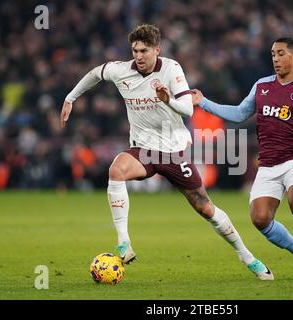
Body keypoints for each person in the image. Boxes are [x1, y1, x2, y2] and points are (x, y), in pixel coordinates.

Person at [60, 24, 273, 280]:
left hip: (173, 152)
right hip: (143, 149)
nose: (138, 56)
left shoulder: (171, 69)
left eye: (144, 50)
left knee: (205, 208)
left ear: (157, 50)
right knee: (116, 170)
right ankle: (124, 242)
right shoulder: (121, 70)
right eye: (135, 50)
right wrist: (71, 97)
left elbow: (187, 109)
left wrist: (167, 99)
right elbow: (96, 73)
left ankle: (247, 256)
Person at [191, 37, 293, 281]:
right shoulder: (262, 86)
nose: (276, 59)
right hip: (268, 164)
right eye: (272, 54)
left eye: (280, 54)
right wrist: (203, 102)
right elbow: (238, 114)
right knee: (260, 219)